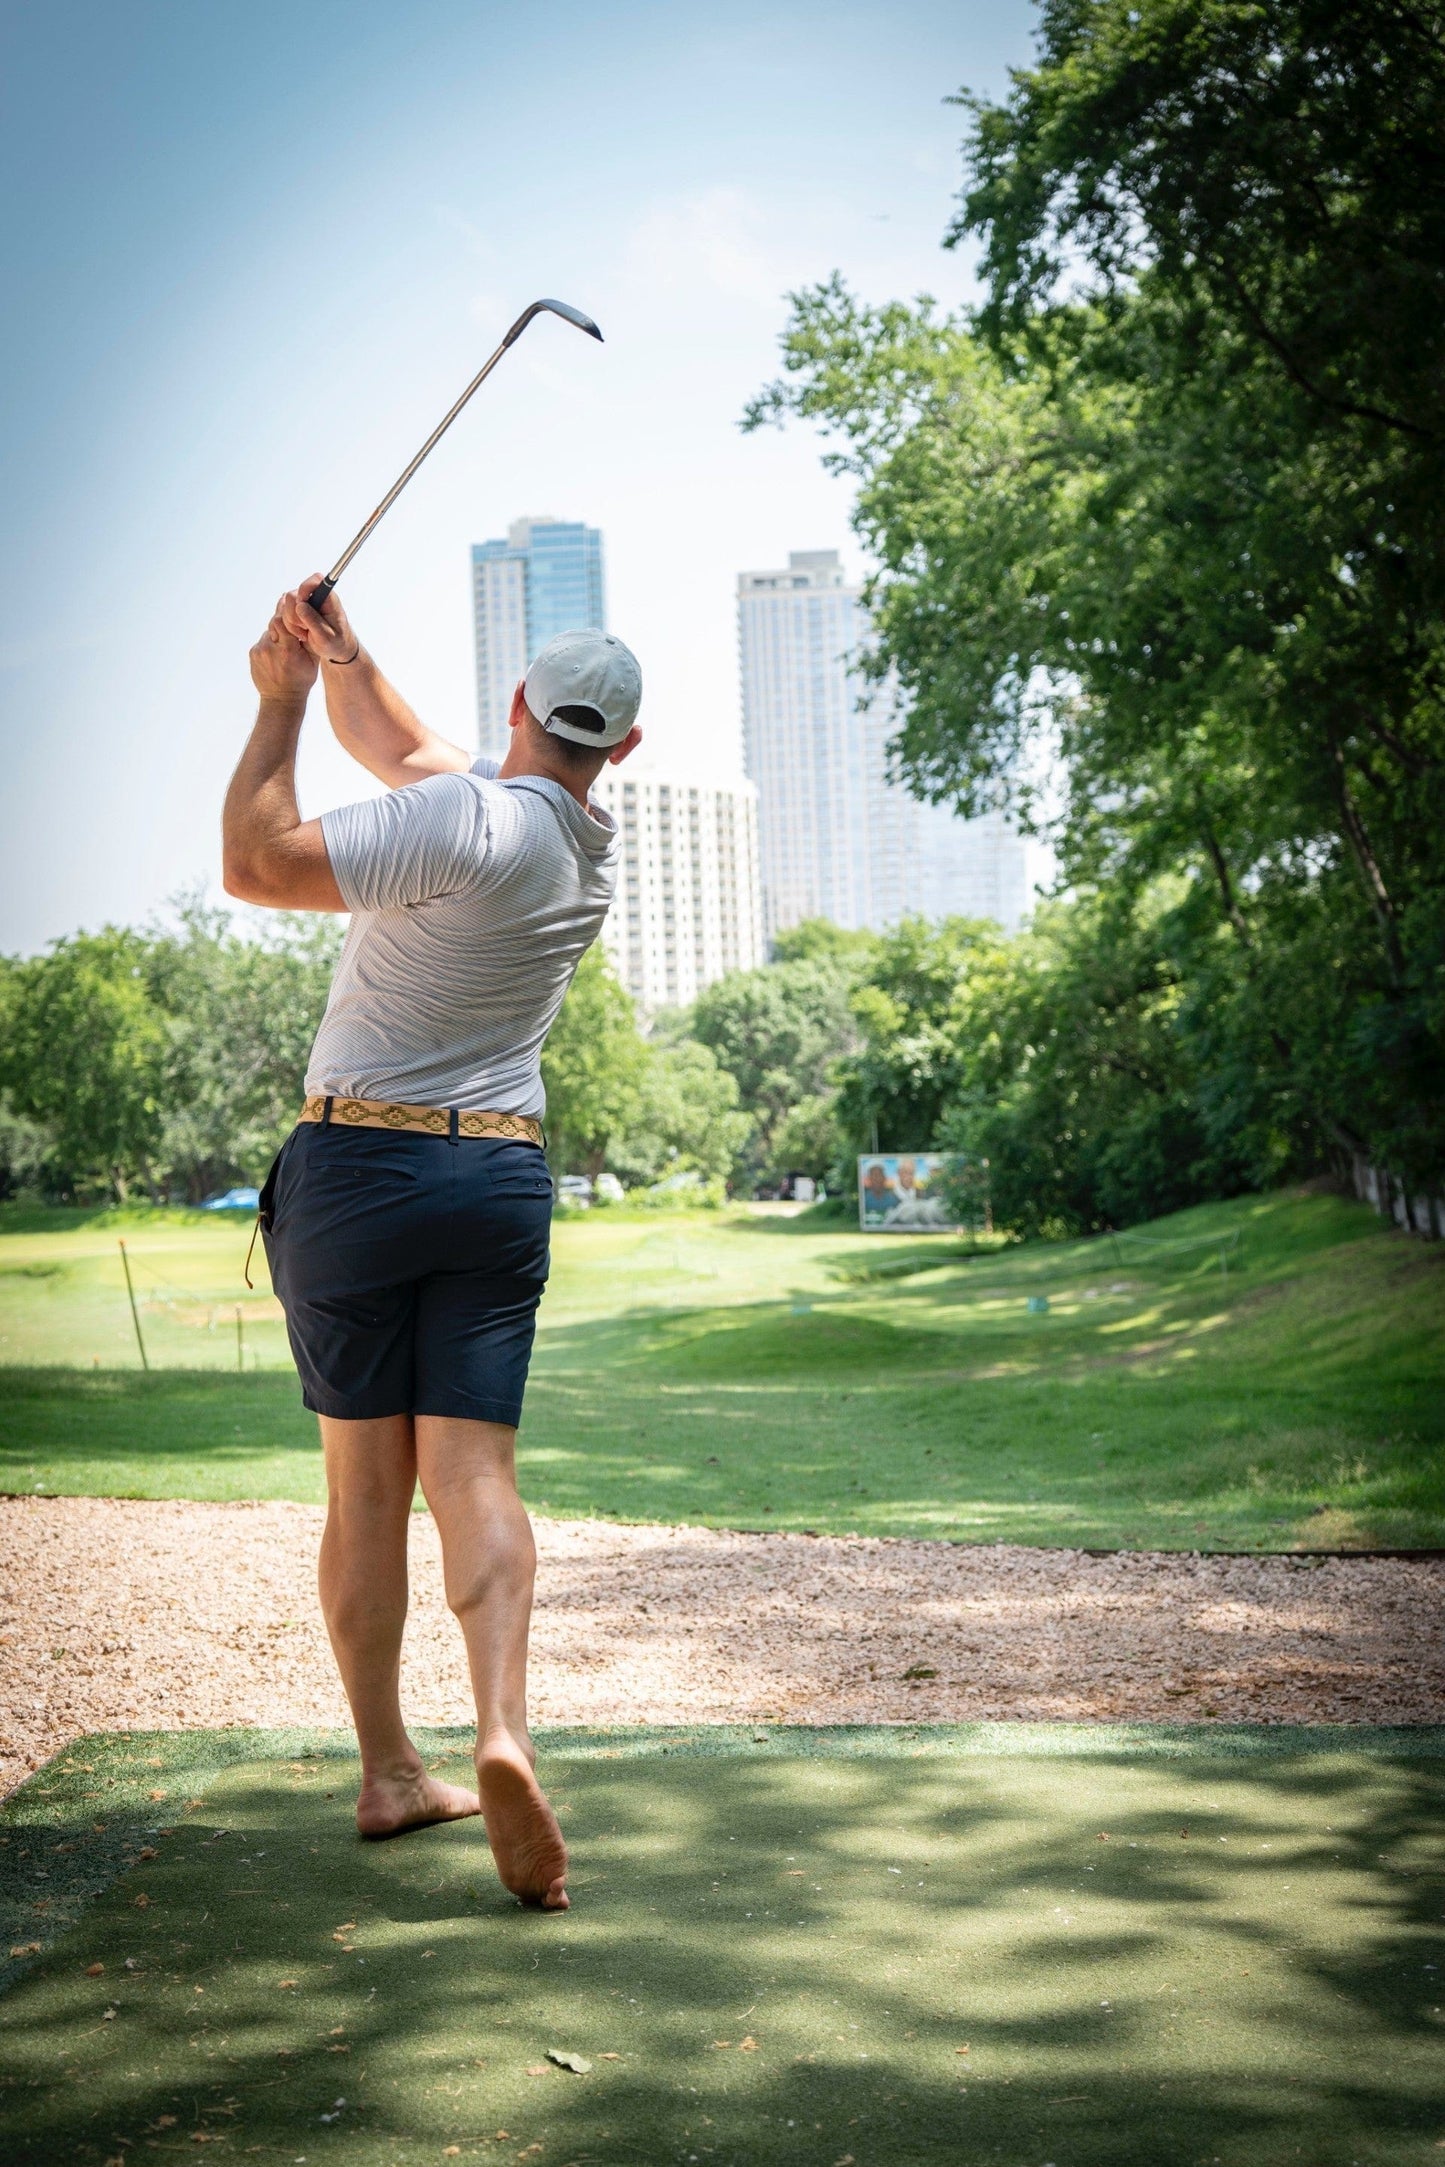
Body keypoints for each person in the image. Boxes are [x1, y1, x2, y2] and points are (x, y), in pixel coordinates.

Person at [221, 579, 643, 1912]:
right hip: (498, 1176)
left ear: (516, 706)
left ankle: (392, 1770)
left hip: (359, 1164)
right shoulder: (579, 842)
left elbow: (254, 862)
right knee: (472, 1474)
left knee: (364, 1490)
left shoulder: (466, 814)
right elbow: (410, 753)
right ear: (617, 749)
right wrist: (349, 660)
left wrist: (279, 701)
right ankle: (503, 1730)